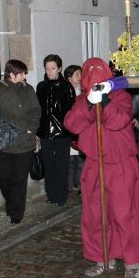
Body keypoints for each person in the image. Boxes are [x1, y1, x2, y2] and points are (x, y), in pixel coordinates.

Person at [63, 58, 139, 278]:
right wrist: (89, 105)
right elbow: (72, 124)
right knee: (95, 214)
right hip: (94, 163)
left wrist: (104, 101)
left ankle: (133, 262)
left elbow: (119, 120)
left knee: (124, 213)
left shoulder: (120, 95)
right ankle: (102, 256)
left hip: (119, 163)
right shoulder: (82, 99)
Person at [0, 60, 41, 224]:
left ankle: (16, 212)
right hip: (4, 144)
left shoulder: (28, 90)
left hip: (24, 143)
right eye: (22, 73)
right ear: (12, 74)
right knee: (4, 177)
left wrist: (31, 128)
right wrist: (1, 130)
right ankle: (12, 202)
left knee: (19, 178)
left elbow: (36, 111)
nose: (25, 76)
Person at [36, 54, 76, 206]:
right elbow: (38, 110)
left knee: (61, 164)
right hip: (45, 131)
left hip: (62, 131)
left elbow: (71, 109)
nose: (50, 71)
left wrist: (70, 130)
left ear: (59, 68)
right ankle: (51, 194)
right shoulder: (41, 86)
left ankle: (61, 195)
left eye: (53, 68)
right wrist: (37, 129)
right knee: (48, 164)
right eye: (47, 68)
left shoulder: (66, 86)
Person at [64, 64, 83, 193]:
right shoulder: (66, 92)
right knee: (70, 161)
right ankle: (69, 186)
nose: (80, 77)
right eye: (77, 74)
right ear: (69, 77)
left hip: (81, 129)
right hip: (70, 129)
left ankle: (80, 184)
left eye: (81, 74)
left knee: (80, 160)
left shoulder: (84, 91)